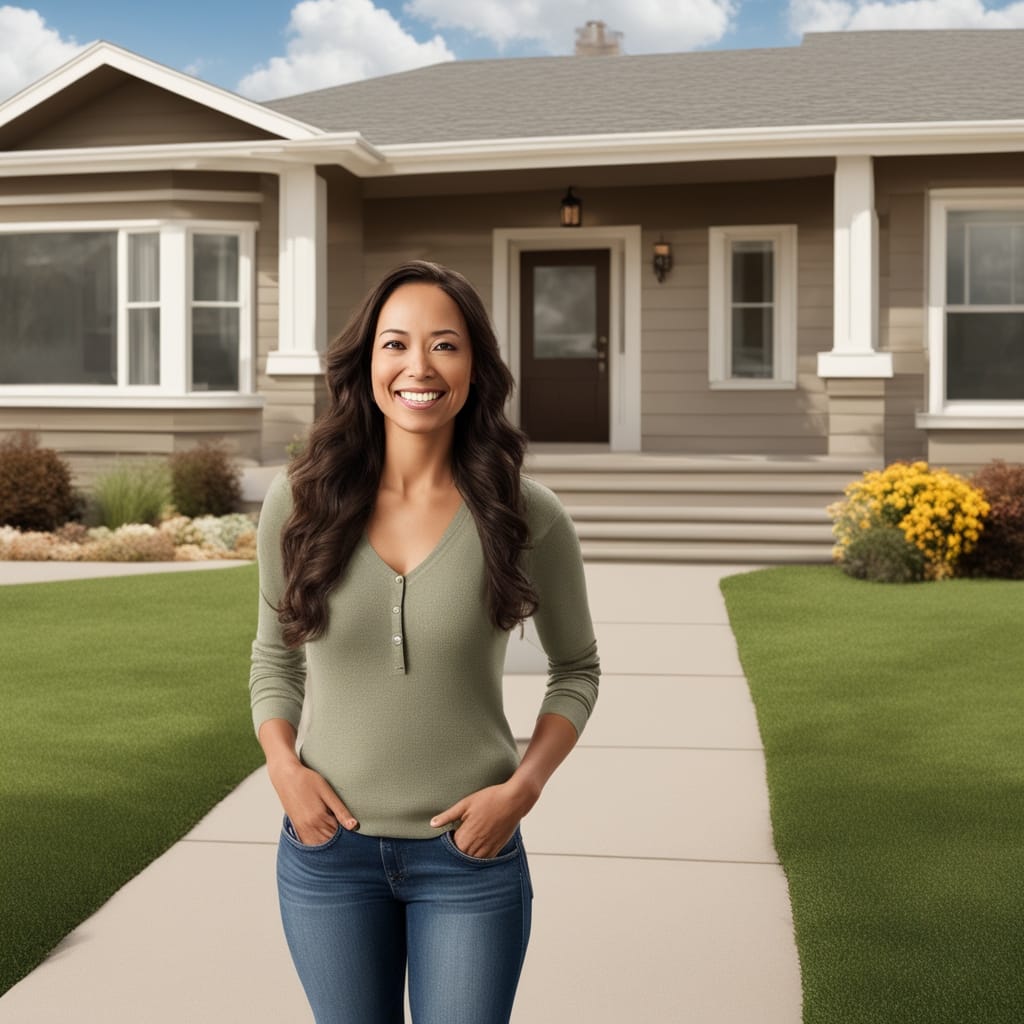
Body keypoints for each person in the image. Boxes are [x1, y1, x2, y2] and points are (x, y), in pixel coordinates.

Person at [248, 260, 600, 1024]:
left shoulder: (525, 514)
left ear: (475, 368)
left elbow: (576, 669)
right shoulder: (300, 501)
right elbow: (276, 653)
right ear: (365, 363)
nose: (418, 367)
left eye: (444, 345)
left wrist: (522, 789)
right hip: (326, 857)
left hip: (468, 861)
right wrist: (283, 769)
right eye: (395, 344)